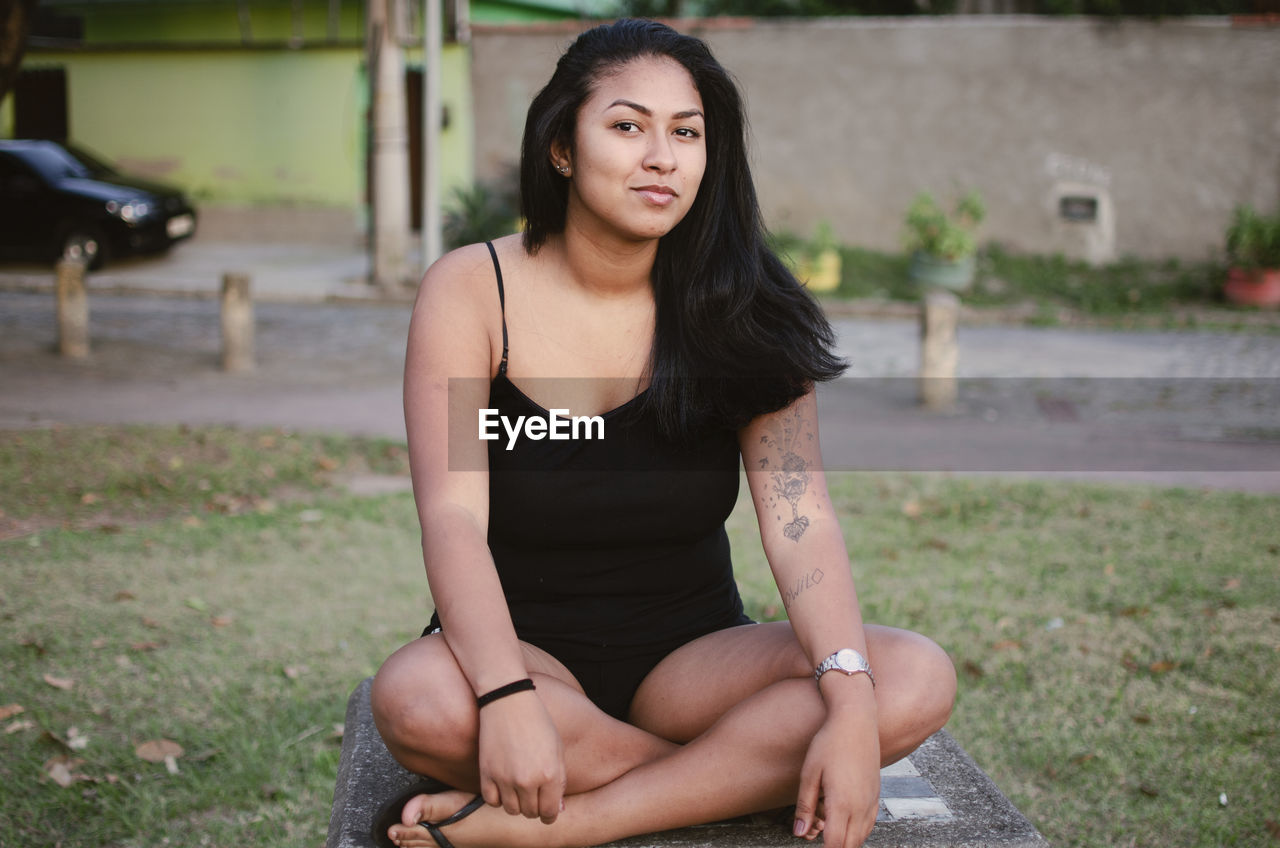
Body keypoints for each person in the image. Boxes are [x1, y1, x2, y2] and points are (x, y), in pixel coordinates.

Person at [369, 18, 956, 848]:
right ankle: (730, 778)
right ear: (561, 148)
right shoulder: (473, 290)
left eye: (686, 133)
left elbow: (801, 522)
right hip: (523, 647)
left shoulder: (749, 304)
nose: (662, 157)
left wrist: (853, 704)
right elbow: (454, 518)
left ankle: (578, 821)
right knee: (414, 699)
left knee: (913, 677)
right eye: (626, 126)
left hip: (693, 659)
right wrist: (504, 697)